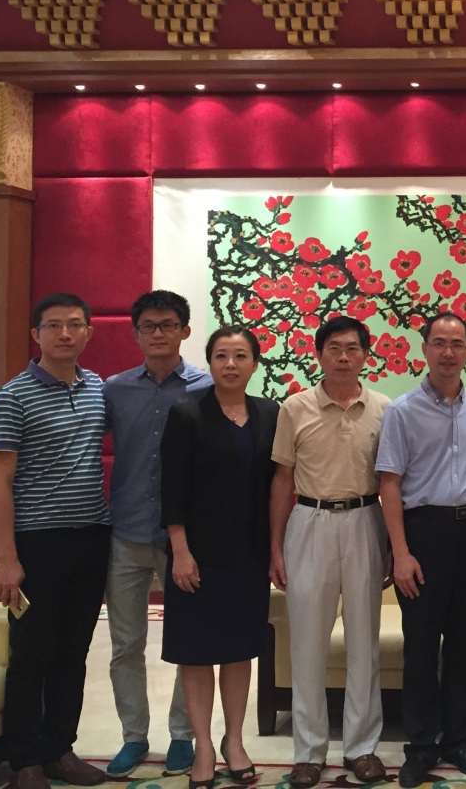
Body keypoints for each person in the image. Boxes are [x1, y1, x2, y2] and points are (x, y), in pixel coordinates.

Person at [0, 293, 110, 789]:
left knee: (73, 652)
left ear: (89, 333)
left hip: (92, 539)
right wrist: (6, 558)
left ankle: (60, 750)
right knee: (31, 654)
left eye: (75, 324)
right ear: (36, 334)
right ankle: (25, 762)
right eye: (53, 325)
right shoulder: (11, 397)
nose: (65, 334)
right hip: (36, 543)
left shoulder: (97, 388)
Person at [269, 316, 391, 789]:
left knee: (364, 642)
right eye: (334, 348)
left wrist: (391, 545)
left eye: (353, 348)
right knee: (307, 643)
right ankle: (309, 751)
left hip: (365, 519)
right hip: (310, 520)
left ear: (365, 355)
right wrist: (275, 546)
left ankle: (361, 747)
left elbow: (390, 482)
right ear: (319, 354)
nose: (343, 356)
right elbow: (282, 479)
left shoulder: (383, 408)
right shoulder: (295, 407)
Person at [376, 313, 466, 788]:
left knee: (465, 643)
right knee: (421, 646)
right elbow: (389, 483)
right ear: (424, 349)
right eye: (439, 343)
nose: (448, 352)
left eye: (457, 343)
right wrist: (400, 552)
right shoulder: (401, 411)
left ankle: (459, 741)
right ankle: (421, 745)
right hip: (423, 534)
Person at [160, 325, 279, 789]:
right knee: (196, 652)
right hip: (198, 554)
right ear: (209, 362)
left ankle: (235, 741)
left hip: (248, 553)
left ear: (255, 363)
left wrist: (274, 549)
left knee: (238, 649)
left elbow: (277, 486)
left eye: (241, 355)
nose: (231, 364)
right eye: (221, 356)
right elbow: (172, 488)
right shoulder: (187, 413)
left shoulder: (269, 413)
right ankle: (204, 746)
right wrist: (180, 551)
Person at [104, 290, 212, 778]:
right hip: (126, 530)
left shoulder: (208, 388)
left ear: (185, 331)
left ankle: (183, 735)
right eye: (148, 326)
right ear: (136, 333)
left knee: (189, 641)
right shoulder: (114, 389)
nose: (158, 333)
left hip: (184, 538)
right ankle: (133, 736)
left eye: (168, 325)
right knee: (126, 643)